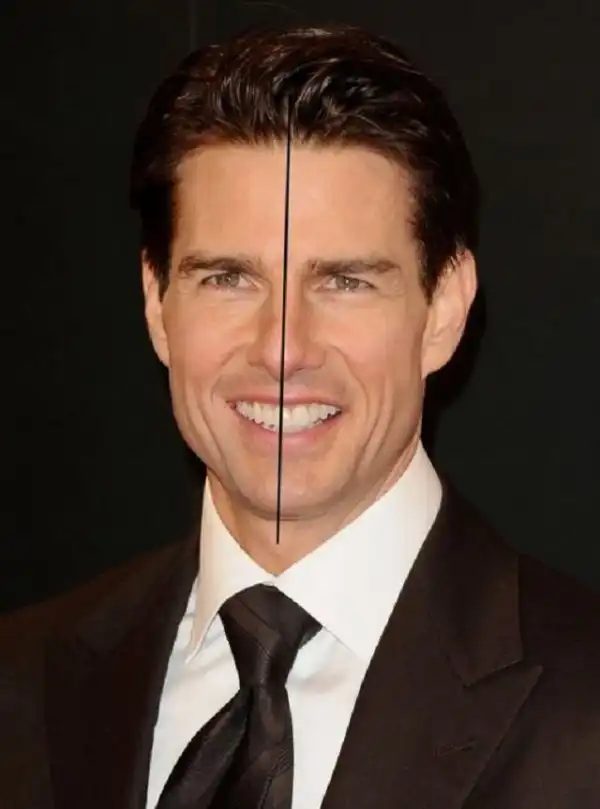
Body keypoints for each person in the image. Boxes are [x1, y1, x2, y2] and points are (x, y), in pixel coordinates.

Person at [2, 22, 600, 809]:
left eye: (344, 281)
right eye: (228, 278)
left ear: (445, 310)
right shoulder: (21, 684)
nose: (282, 348)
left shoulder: (584, 710)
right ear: (156, 303)